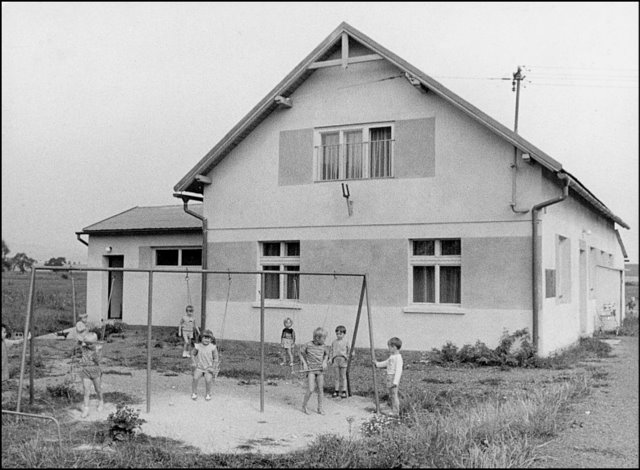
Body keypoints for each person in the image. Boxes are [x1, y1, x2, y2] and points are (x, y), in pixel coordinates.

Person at [299, 327, 330, 415]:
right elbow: (300, 353)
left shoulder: (324, 346)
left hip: (320, 370)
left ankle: (320, 408)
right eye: (324, 338)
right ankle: (304, 406)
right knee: (311, 389)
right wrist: (304, 363)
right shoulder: (308, 345)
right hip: (311, 370)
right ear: (317, 338)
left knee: (320, 389)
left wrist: (324, 362)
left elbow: (327, 354)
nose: (325, 340)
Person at [75, 331, 104, 418]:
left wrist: (97, 352)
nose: (88, 345)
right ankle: (86, 409)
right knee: (86, 390)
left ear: (95, 342)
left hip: (95, 370)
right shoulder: (84, 347)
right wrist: (83, 339)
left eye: (90, 344)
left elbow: (98, 361)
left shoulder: (98, 349)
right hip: (85, 371)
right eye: (87, 343)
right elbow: (80, 341)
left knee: (98, 389)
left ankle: (101, 401)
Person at [372, 336, 403, 416]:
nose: (388, 348)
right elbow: (386, 363)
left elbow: (398, 371)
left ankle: (395, 412)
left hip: (393, 378)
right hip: (389, 376)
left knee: (394, 394)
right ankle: (392, 408)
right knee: (391, 394)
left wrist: (395, 382)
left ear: (394, 347)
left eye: (389, 347)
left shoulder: (398, 358)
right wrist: (377, 364)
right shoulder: (392, 356)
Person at [191, 329, 219, 401]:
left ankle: (208, 394)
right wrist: (194, 362)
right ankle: (194, 392)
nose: (206, 340)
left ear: (211, 339)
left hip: (209, 368)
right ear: (201, 338)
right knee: (195, 378)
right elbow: (193, 354)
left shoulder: (213, 347)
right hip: (199, 367)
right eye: (205, 338)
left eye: (208, 338)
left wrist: (213, 367)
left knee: (208, 380)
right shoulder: (198, 346)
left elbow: (216, 358)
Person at [330, 325, 350, 398]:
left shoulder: (346, 342)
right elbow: (331, 351)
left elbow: (349, 351)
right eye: (337, 334)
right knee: (336, 377)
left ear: (344, 334)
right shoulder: (334, 342)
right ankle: (336, 390)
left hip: (343, 360)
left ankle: (344, 391)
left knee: (343, 376)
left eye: (340, 334)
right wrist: (330, 358)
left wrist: (347, 357)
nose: (338, 335)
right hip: (335, 360)